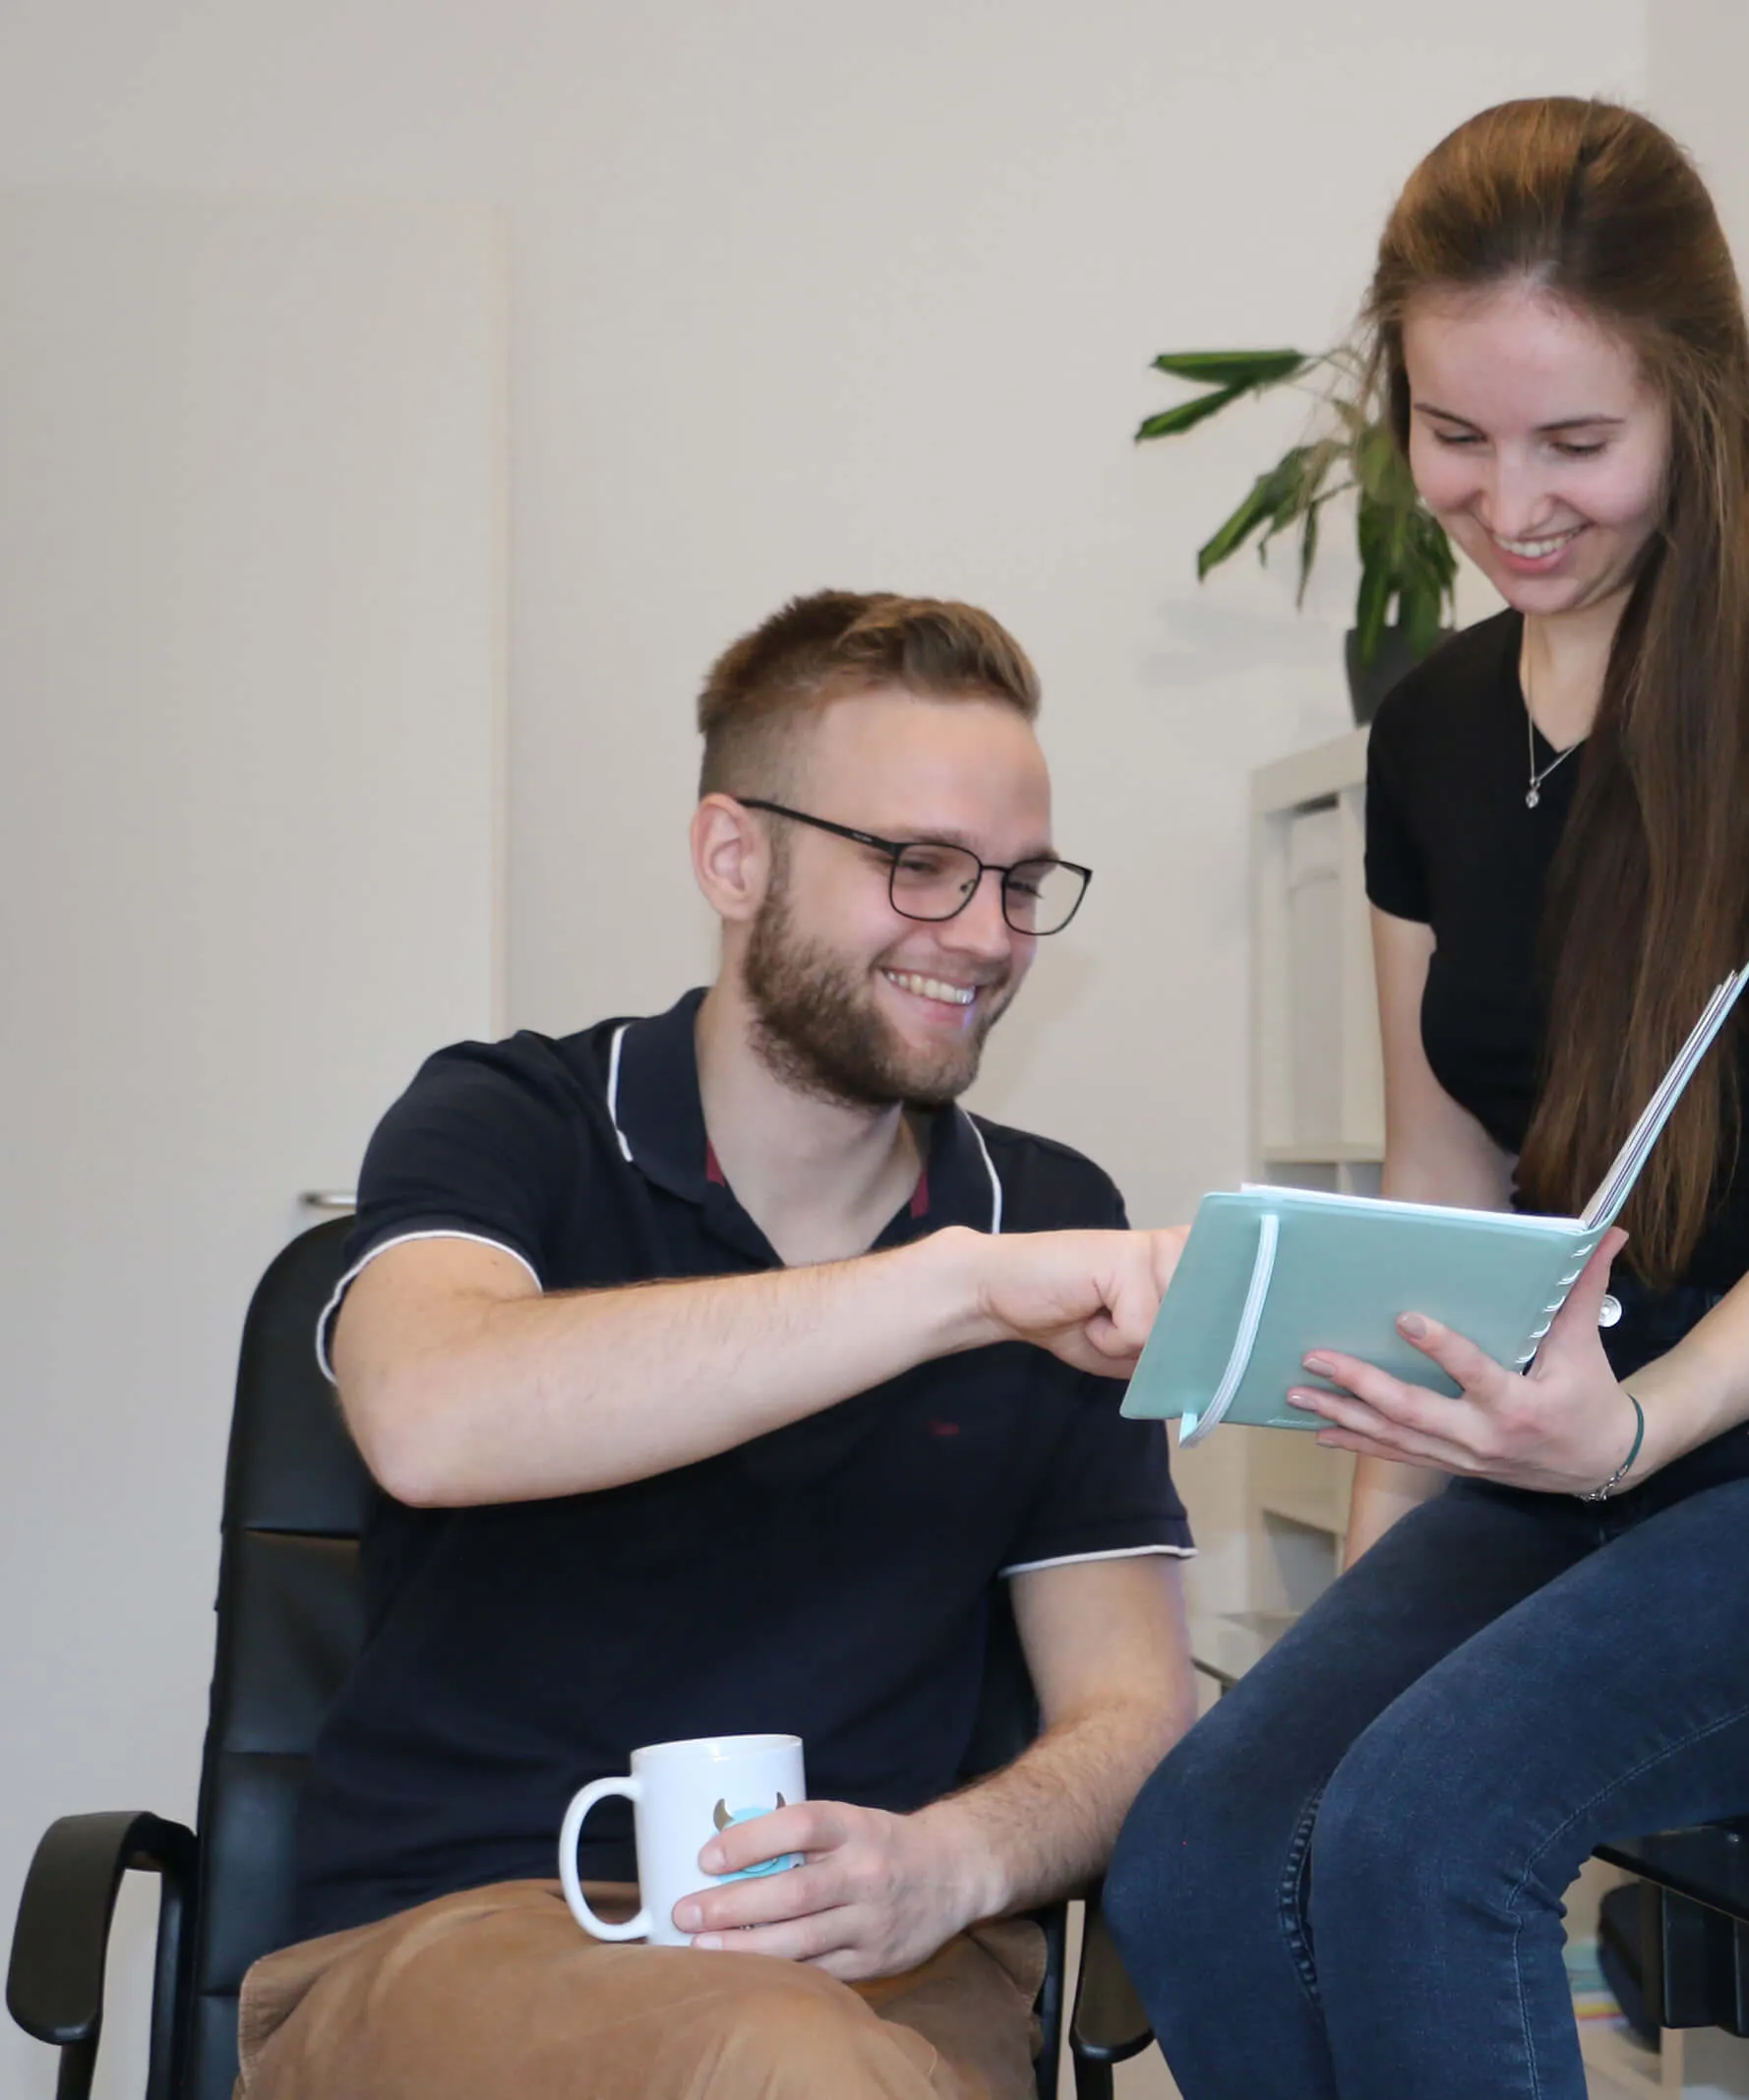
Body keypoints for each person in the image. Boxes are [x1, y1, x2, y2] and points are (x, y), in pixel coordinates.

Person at [1106, 97, 1749, 2099]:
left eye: (1576, 441)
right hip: (1573, 1457)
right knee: (1208, 1842)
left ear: (1692, 404)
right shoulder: (1432, 738)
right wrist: (1375, 1599)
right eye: (1454, 436)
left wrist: (1633, 1424)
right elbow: (1439, 1205)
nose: (1509, 503)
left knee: (1421, 1835)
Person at [240, 592, 1199, 2100]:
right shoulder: (514, 1122)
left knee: (815, 2053)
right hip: (467, 1934)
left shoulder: (1049, 1212)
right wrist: (952, 1290)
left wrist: (952, 1861)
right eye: (920, 864)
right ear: (734, 857)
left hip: (893, 1959)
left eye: (1020, 883)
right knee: (779, 2059)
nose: (983, 934)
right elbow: (430, 1413)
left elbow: (1135, 1710)